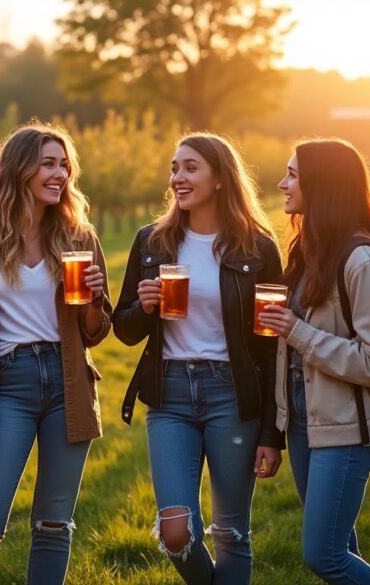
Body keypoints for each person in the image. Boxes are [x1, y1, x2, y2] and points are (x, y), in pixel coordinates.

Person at [0, 123, 111, 583]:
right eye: (49, 164)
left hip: (68, 381)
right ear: (19, 169)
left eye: (64, 165)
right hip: (5, 385)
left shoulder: (79, 237)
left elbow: (95, 335)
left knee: (54, 522)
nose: (60, 174)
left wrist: (95, 299)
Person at [112, 133, 283, 585]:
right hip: (169, 395)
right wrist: (145, 307)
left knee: (231, 532)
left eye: (190, 168)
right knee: (175, 532)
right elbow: (124, 329)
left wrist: (272, 432)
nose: (177, 178)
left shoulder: (257, 248)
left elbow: (271, 349)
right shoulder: (152, 242)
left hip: (232, 394)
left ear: (221, 178)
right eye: (174, 168)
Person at [258, 139, 370, 585]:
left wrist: (296, 332)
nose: (282, 183)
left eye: (293, 174)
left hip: (344, 430)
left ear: (324, 184)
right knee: (342, 546)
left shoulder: (362, 261)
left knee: (325, 555)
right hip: (303, 424)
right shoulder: (306, 253)